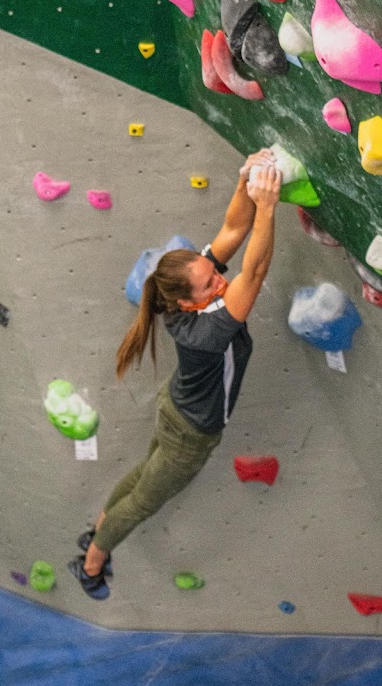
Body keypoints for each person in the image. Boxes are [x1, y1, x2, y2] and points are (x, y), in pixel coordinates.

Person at [68, 150, 282, 599]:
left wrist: (245, 182)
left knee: (146, 474)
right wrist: (268, 204)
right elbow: (255, 269)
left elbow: (233, 230)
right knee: (146, 498)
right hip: (191, 431)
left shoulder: (186, 298)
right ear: (188, 301)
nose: (219, 281)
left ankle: (99, 531)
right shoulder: (205, 331)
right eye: (210, 283)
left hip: (177, 411)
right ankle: (91, 563)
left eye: (212, 275)